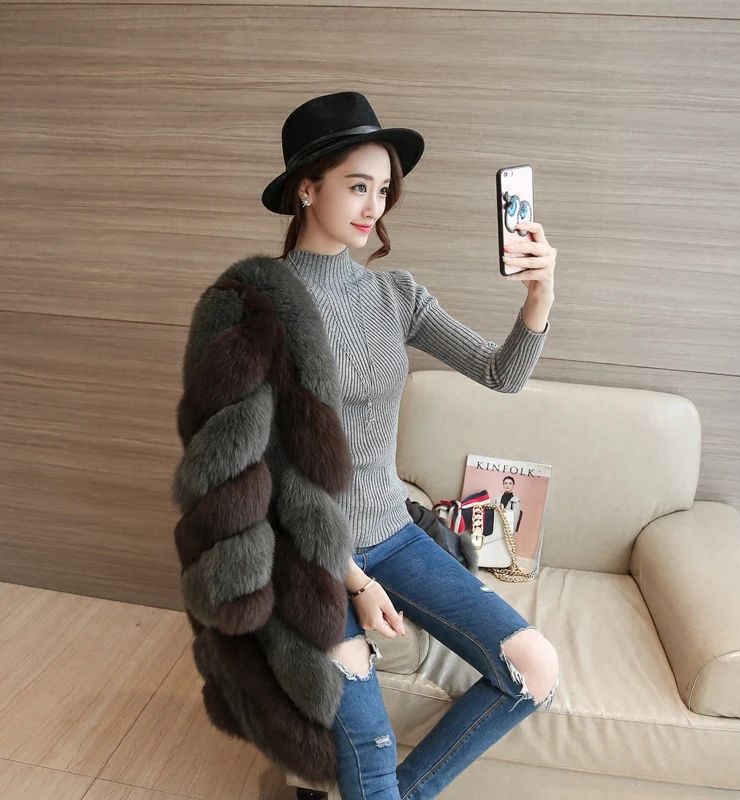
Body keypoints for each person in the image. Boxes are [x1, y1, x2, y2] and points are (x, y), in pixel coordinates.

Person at [260, 91, 560, 800]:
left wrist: (539, 298)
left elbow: (502, 374)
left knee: (534, 669)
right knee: (369, 749)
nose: (373, 206)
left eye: (382, 188)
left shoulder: (395, 294)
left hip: (392, 535)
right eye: (356, 186)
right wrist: (356, 586)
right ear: (307, 189)